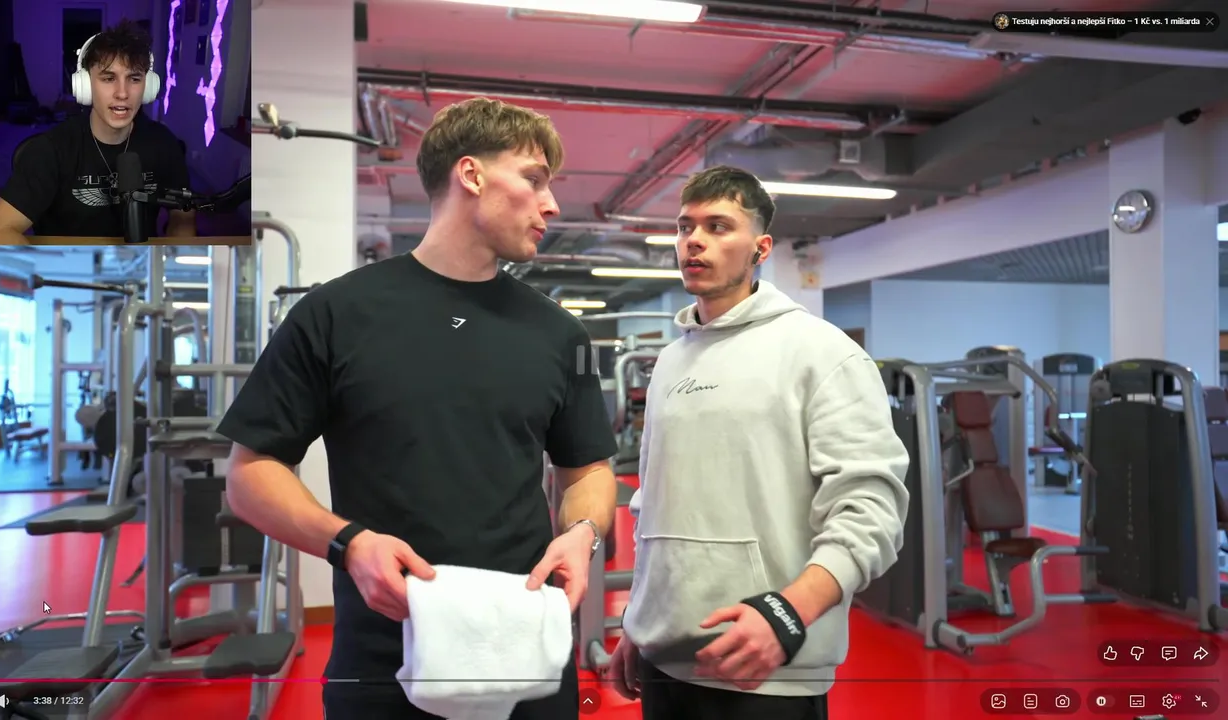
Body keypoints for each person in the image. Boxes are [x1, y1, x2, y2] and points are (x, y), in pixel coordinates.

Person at [216, 97, 620, 720]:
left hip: (524, 646)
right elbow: (250, 474)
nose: (552, 205)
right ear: (472, 174)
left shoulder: (559, 333)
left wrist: (583, 533)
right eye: (534, 180)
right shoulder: (336, 314)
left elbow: (587, 469)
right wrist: (348, 543)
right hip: (384, 659)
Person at [608, 165, 911, 719]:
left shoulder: (822, 352)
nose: (694, 240)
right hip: (662, 660)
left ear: (761, 248)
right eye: (685, 226)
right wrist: (640, 620)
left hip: (767, 669)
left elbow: (872, 509)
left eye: (719, 226)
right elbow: (653, 502)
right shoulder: (671, 360)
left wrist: (787, 614)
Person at [0, 20, 194, 244]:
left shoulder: (164, 143)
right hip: (69, 264)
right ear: (85, 86)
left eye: (134, 79)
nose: (122, 93)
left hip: (137, 262)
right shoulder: (51, 149)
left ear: (148, 87)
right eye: (108, 78)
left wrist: (173, 255)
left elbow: (183, 217)